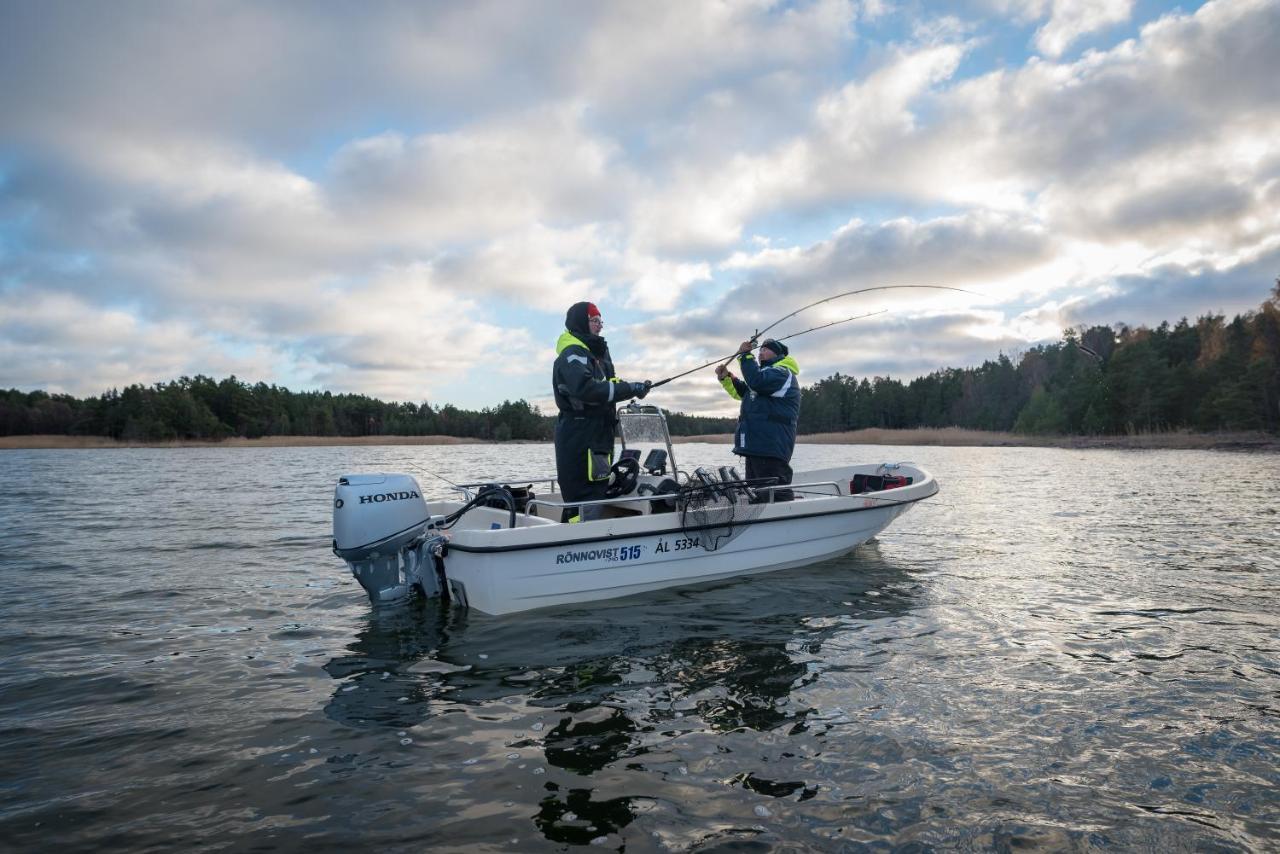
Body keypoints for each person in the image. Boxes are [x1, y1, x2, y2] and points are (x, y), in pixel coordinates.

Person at [553, 302, 650, 521]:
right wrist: (628, 388)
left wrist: (634, 388)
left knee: (596, 491)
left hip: (598, 437)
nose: (599, 326)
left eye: (600, 321)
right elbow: (586, 389)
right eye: (594, 321)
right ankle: (576, 544)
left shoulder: (596, 353)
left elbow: (610, 382)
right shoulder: (573, 353)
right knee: (584, 497)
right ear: (581, 322)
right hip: (581, 436)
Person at [715, 337, 800, 501]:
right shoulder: (765, 377)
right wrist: (727, 378)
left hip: (770, 445)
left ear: (778, 355)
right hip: (756, 446)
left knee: (774, 495)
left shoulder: (782, 373)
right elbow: (743, 392)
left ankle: (783, 521)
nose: (760, 353)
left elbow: (756, 382)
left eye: (765, 350)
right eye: (759, 350)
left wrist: (746, 355)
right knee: (756, 494)